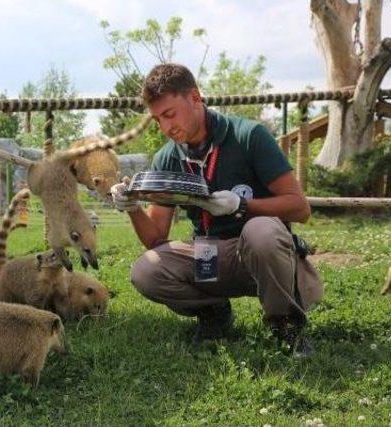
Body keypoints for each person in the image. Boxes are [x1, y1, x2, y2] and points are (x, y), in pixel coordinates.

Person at [111, 63, 323, 357]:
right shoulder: (167, 157)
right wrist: (133, 207)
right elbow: (156, 238)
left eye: (170, 114)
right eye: (158, 119)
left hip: (263, 256)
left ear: (195, 98)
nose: (166, 127)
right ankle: (214, 313)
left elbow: (300, 208)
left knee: (260, 230)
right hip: (209, 255)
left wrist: (242, 206)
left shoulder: (249, 136)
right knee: (146, 269)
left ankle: (285, 323)